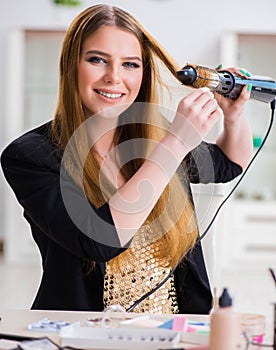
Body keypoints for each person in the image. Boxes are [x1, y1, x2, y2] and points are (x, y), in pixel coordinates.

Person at [0, 4, 253, 314]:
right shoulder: (31, 155)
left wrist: (234, 116)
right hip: (83, 335)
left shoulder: (155, 137)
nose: (114, 77)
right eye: (97, 60)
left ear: (143, 73)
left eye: (131, 64)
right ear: (70, 65)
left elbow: (230, 162)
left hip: (173, 332)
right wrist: (175, 143)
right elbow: (99, 240)